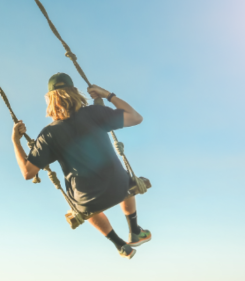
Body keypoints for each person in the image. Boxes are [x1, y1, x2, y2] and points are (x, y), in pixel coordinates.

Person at [12, 72, 150, 259]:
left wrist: (16, 141)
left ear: (50, 100)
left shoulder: (48, 135)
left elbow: (28, 173)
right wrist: (108, 95)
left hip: (89, 200)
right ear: (75, 93)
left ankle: (120, 245)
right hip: (120, 187)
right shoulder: (95, 113)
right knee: (124, 178)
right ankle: (134, 230)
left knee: (80, 205)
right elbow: (136, 117)